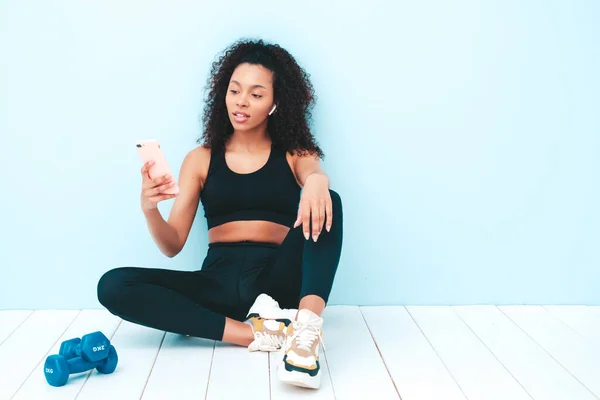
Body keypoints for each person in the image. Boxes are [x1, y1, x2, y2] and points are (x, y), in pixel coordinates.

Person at [97, 38, 343, 390]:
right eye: (235, 90)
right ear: (222, 93)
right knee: (113, 285)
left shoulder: (294, 153)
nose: (242, 101)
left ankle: (304, 332)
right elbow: (172, 245)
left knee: (329, 199)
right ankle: (251, 334)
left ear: (276, 103)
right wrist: (150, 209)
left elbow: (314, 177)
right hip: (217, 283)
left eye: (256, 95)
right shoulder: (200, 158)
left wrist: (317, 179)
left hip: (275, 286)